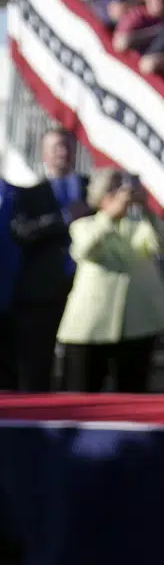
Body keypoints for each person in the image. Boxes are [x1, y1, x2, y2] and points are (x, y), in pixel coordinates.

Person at [57, 171, 164, 394]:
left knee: (132, 390)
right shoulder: (84, 224)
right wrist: (109, 216)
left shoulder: (138, 225)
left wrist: (147, 209)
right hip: (91, 326)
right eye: (114, 190)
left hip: (136, 324)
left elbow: (162, 244)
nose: (122, 196)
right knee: (83, 390)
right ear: (101, 196)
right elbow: (84, 249)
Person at [6, 129, 88, 389]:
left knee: (81, 371)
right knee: (36, 365)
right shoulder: (30, 194)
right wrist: (64, 218)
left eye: (65, 146)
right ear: (43, 154)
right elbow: (22, 231)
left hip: (88, 293)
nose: (61, 152)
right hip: (42, 294)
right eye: (54, 147)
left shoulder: (92, 189)